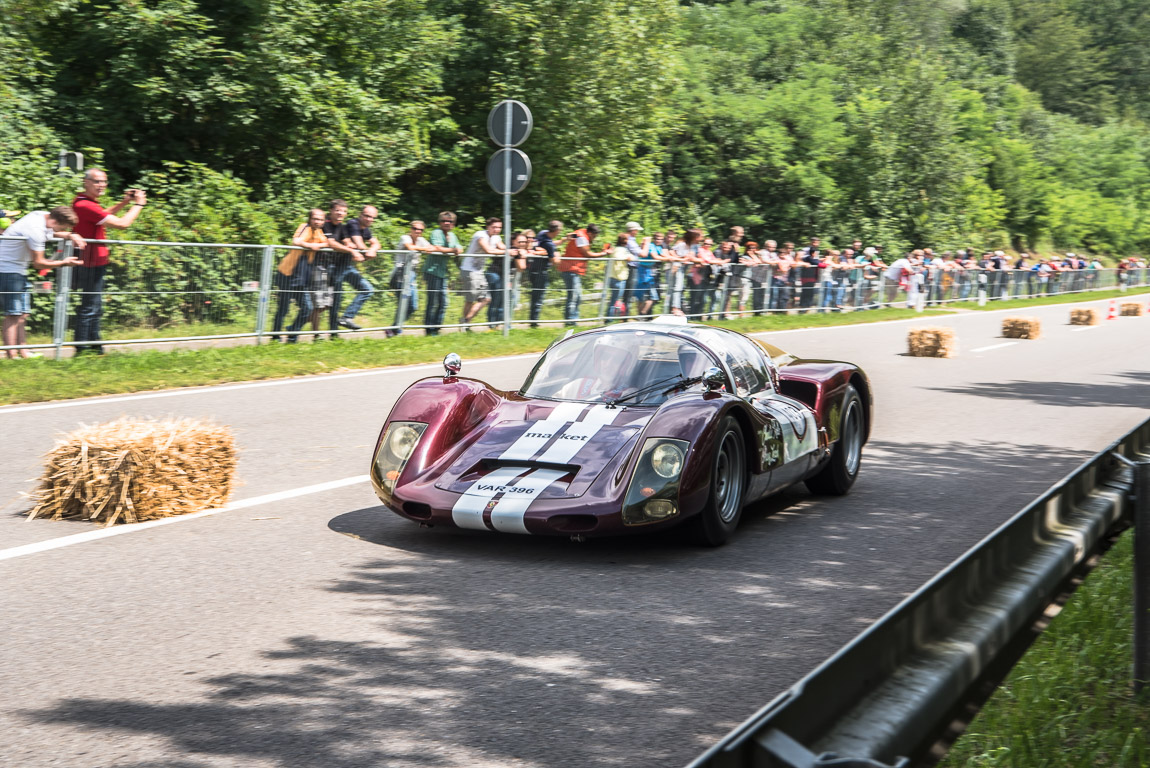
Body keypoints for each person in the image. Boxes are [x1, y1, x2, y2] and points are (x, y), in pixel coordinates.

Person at [71, 168, 147, 355]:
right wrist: (138, 205)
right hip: (89, 262)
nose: (101, 185)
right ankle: (82, 349)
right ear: (86, 182)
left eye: (104, 181)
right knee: (90, 306)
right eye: (97, 181)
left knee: (95, 306)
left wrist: (124, 202)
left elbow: (103, 215)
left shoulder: (86, 203)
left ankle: (95, 346)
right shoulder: (85, 205)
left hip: (95, 261)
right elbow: (122, 224)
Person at [0, 208, 84, 359]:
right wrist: (64, 263)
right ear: (54, 221)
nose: (63, 230)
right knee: (13, 314)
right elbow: (39, 263)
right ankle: (11, 355)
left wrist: (71, 235)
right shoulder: (36, 230)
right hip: (7, 270)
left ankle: (24, 352)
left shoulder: (41, 215)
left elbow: (52, 232)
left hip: (18, 269)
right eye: (63, 227)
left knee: (22, 314)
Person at [272, 208, 326, 343]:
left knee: (307, 308)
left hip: (301, 277)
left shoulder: (319, 232)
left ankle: (293, 334)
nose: (317, 221)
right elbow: (296, 241)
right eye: (315, 218)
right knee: (283, 308)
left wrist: (317, 246)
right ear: (310, 219)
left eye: (320, 219)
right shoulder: (305, 227)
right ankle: (275, 336)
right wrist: (310, 245)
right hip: (287, 274)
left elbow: (326, 243)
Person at [321, 199, 362, 338]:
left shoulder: (342, 227)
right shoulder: (325, 225)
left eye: (344, 211)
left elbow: (346, 240)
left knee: (336, 300)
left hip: (340, 266)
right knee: (322, 304)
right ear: (331, 211)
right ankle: (326, 333)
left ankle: (334, 332)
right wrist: (351, 251)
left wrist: (352, 246)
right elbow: (332, 243)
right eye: (338, 210)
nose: (341, 213)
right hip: (325, 266)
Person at [336, 205, 380, 331]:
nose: (369, 219)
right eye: (367, 216)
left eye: (372, 217)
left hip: (347, 267)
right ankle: (295, 329)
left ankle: (347, 318)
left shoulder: (365, 229)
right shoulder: (353, 223)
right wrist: (368, 251)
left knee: (367, 289)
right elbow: (360, 245)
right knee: (333, 300)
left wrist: (372, 249)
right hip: (335, 266)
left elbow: (377, 243)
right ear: (360, 215)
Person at [555, 223, 605, 325]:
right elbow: (587, 254)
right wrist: (603, 253)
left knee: (576, 296)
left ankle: (573, 320)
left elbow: (570, 235)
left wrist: (567, 237)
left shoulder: (579, 233)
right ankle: (570, 321)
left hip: (572, 269)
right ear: (590, 233)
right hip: (571, 268)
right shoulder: (582, 237)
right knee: (574, 296)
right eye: (594, 236)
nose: (595, 238)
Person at [392, 221, 432, 336]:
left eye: (421, 230)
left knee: (413, 306)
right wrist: (425, 249)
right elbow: (410, 247)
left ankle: (395, 327)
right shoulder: (405, 237)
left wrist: (428, 248)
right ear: (411, 229)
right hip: (400, 273)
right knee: (403, 302)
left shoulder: (421, 240)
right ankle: (396, 330)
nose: (418, 231)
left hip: (411, 274)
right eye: (415, 228)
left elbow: (431, 247)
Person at [461, 218, 502, 329]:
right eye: (494, 227)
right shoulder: (480, 235)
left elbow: (503, 247)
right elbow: (488, 250)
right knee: (470, 299)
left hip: (479, 271)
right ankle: (464, 325)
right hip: (469, 270)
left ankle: (465, 321)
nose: (497, 230)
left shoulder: (496, 238)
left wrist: (516, 250)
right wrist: (508, 252)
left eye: (499, 227)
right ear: (488, 227)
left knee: (486, 299)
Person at [424, 211, 460, 335]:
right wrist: (452, 250)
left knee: (444, 302)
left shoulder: (453, 235)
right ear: (439, 222)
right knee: (432, 302)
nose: (446, 223)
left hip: (442, 273)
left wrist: (456, 249)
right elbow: (437, 247)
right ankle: (429, 329)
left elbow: (459, 248)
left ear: (453, 224)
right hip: (432, 271)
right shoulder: (436, 233)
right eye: (444, 221)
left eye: (449, 221)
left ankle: (437, 327)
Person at [486, 228, 526, 324]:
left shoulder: (516, 250)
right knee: (496, 301)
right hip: (495, 275)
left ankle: (499, 324)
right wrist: (523, 256)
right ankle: (492, 324)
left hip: (504, 277)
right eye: (520, 242)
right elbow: (522, 267)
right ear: (513, 241)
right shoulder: (514, 250)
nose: (523, 244)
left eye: (524, 242)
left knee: (504, 301)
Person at [527, 221, 561, 327]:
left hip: (532, 269)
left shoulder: (542, 234)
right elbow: (553, 261)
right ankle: (534, 322)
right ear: (556, 231)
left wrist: (563, 240)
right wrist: (557, 255)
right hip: (541, 272)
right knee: (538, 297)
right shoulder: (549, 245)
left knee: (535, 296)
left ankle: (533, 320)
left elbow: (548, 244)